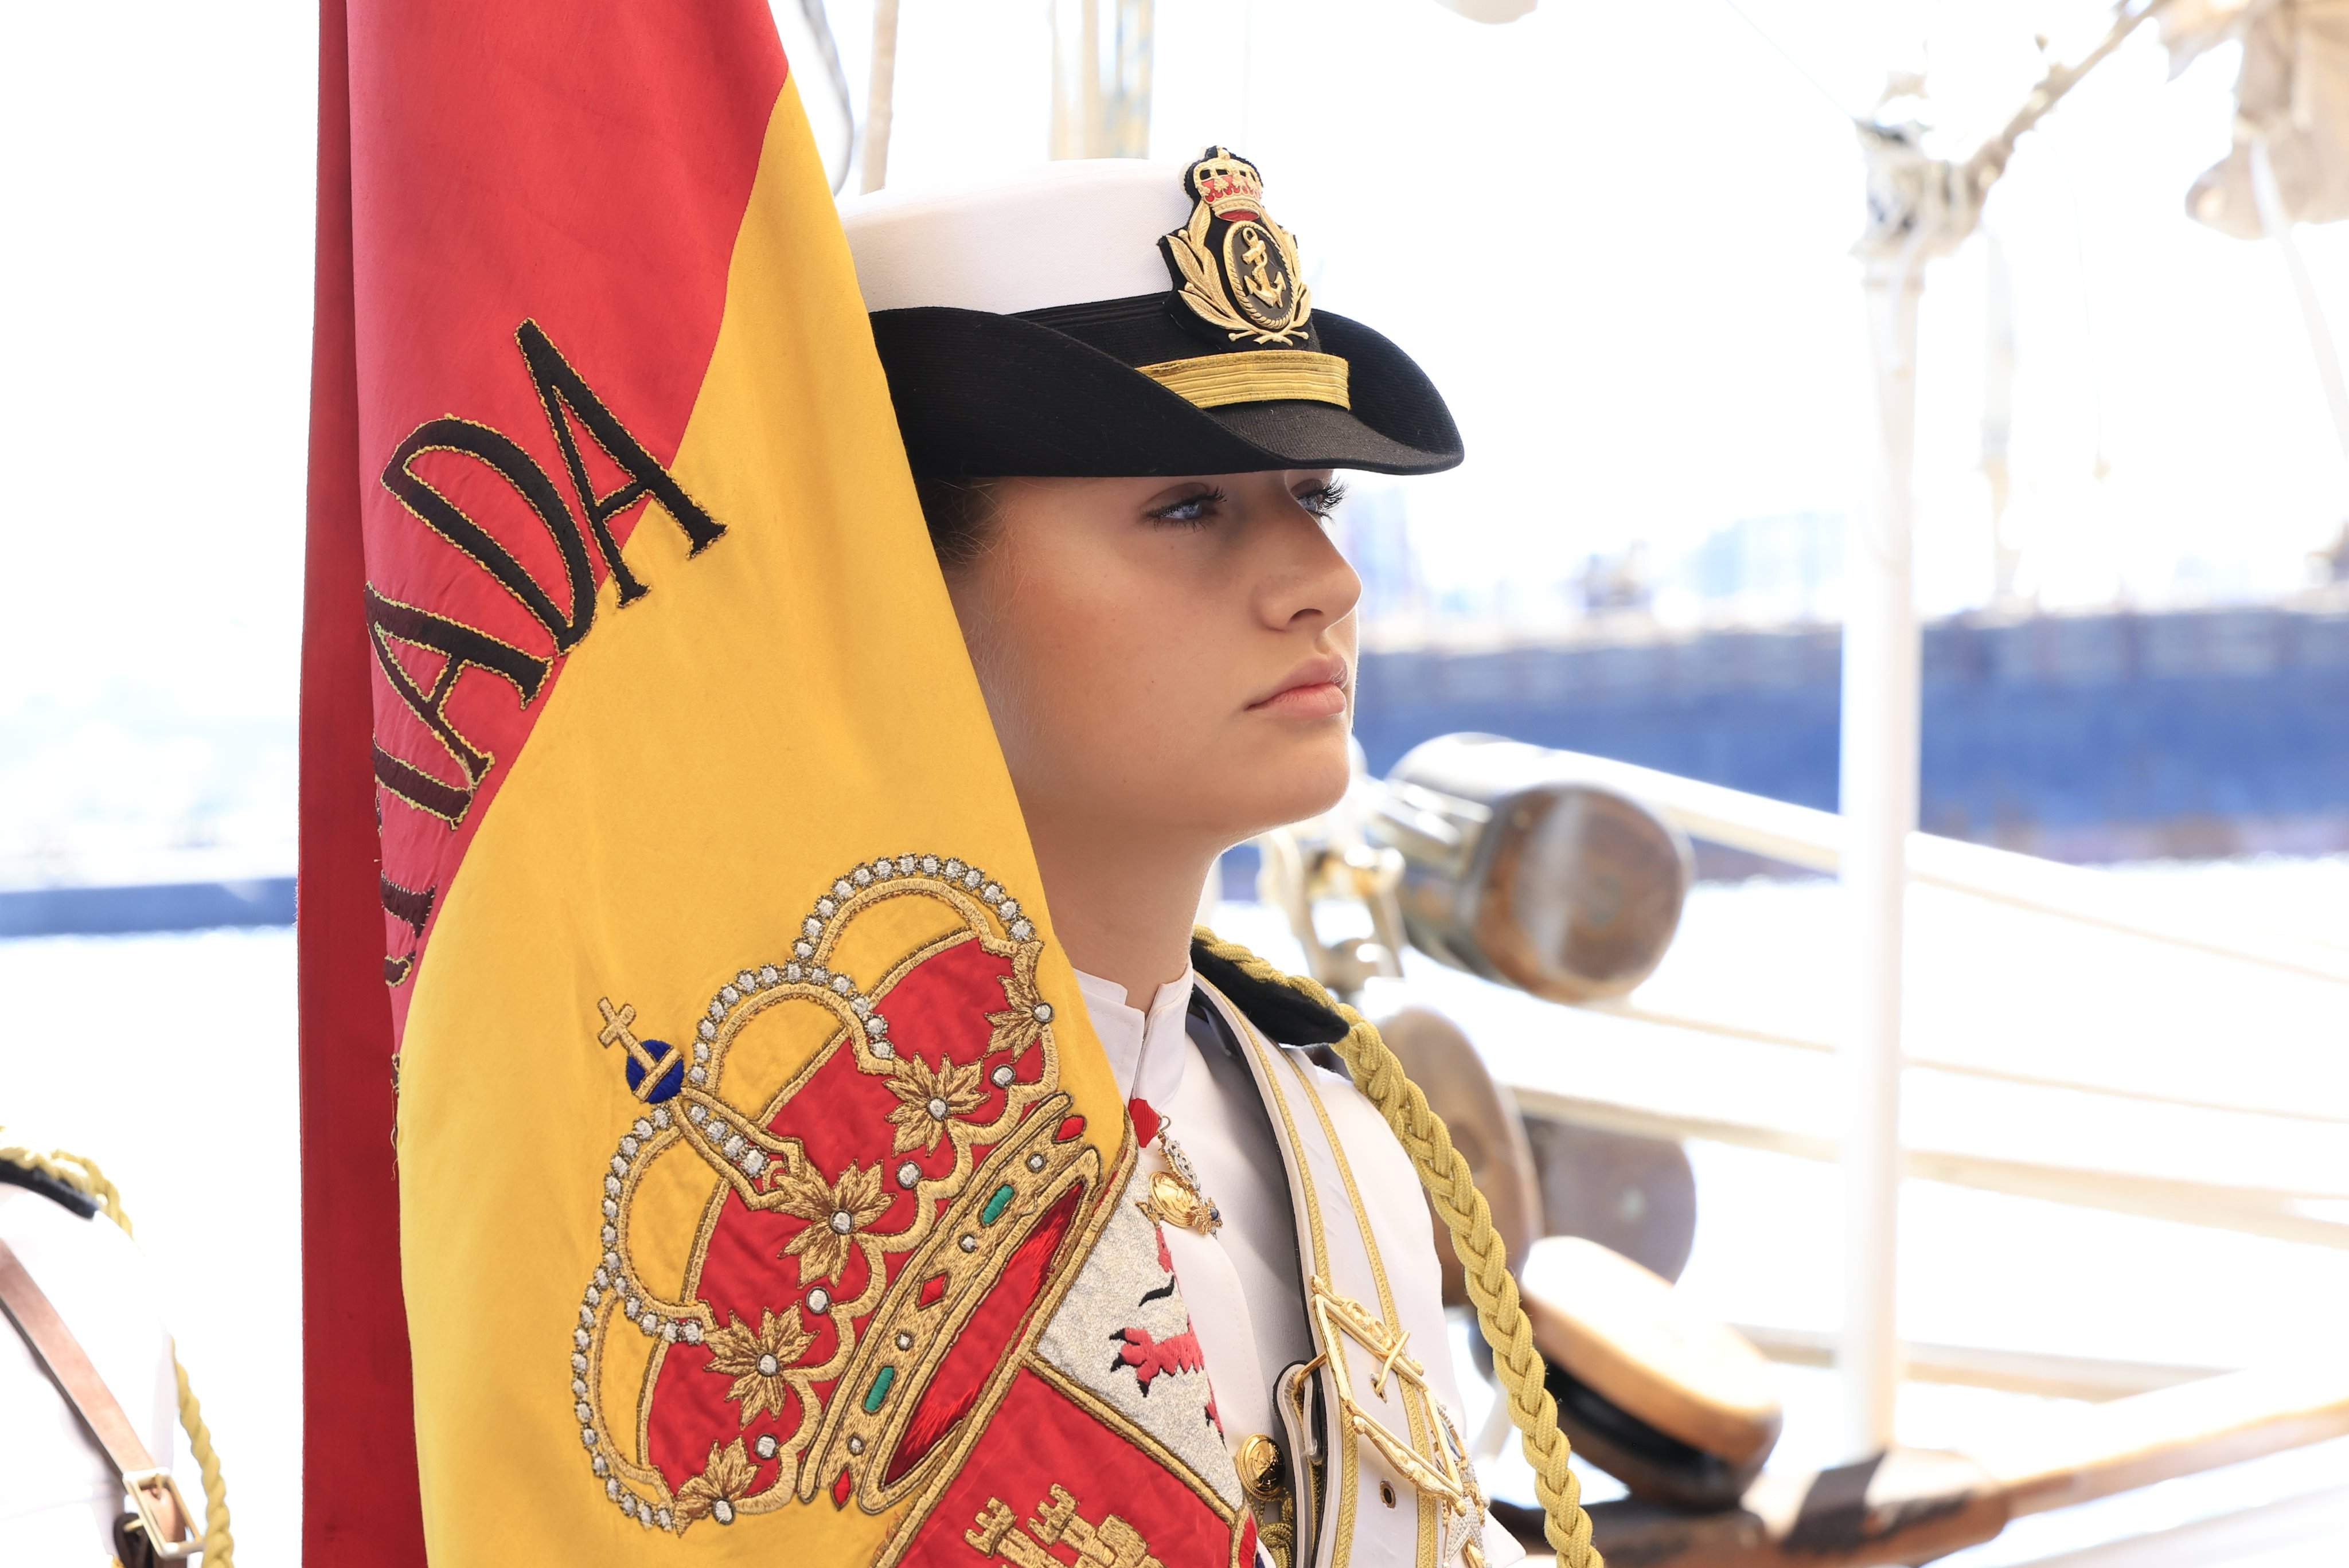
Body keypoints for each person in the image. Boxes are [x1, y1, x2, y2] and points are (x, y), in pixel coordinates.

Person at [836, 146, 1528, 1568]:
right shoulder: (803, 1202)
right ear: (900, 590)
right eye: (1186, 508)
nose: (1322, 584)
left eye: (1312, 497)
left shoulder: (1338, 1147)